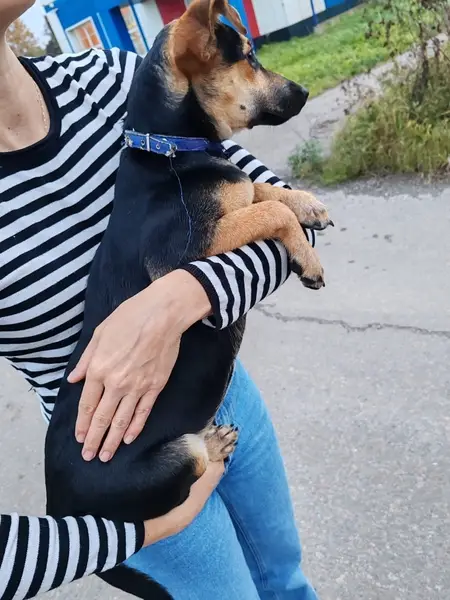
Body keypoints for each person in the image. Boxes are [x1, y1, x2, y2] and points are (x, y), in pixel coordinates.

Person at [0, 1, 319, 599]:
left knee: (287, 580)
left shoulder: (112, 80)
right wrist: (101, 541)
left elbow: (292, 224)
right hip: (117, 459)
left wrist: (182, 297)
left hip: (224, 390)